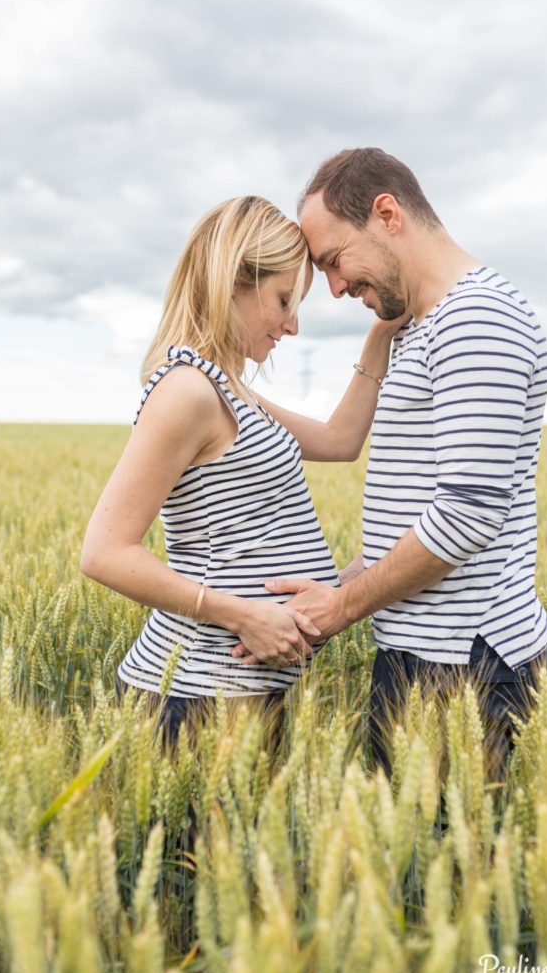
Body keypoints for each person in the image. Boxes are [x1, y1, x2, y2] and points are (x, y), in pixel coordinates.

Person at [236, 149, 547, 777]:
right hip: (425, 658)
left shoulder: (478, 320)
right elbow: (420, 510)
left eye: (333, 260)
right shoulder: (423, 326)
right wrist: (343, 587)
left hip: (469, 668)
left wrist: (344, 609)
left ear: (387, 214)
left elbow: (466, 513)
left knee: (460, 871)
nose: (333, 287)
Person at [81, 195, 405, 750]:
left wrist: (381, 333)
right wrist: (243, 616)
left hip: (238, 692)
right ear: (232, 280)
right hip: (194, 695)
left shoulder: (227, 389)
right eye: (283, 299)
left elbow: (339, 440)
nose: (293, 324)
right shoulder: (187, 391)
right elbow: (104, 552)